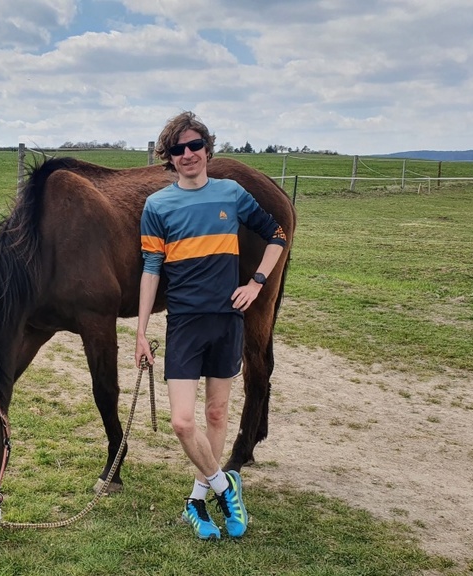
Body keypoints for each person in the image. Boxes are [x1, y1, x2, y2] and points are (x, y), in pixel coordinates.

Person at [134, 111, 287, 540]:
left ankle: (196, 502)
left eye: (195, 145)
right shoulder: (157, 206)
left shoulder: (231, 194)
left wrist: (256, 282)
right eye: (178, 149)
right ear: (168, 157)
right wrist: (141, 332)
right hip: (184, 323)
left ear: (207, 149)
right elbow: (151, 269)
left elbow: (276, 235)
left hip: (227, 321)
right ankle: (225, 487)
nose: (188, 154)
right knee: (183, 422)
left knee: (216, 413)